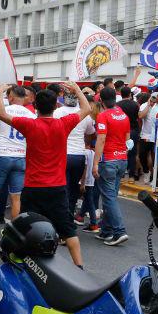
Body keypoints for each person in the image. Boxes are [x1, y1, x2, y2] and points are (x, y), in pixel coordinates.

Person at [0, 81, 93, 266]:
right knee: (68, 230)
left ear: (35, 107)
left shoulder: (30, 125)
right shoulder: (63, 124)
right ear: (55, 106)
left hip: (33, 187)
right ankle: (79, 267)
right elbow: (87, 108)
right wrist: (78, 90)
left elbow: (1, 114)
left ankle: (21, 263)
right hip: (57, 187)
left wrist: (1, 92)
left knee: (25, 228)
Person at [0, 85, 33, 242]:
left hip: (3, 154)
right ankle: (14, 233)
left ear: (10, 97)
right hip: (20, 156)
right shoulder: (31, 114)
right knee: (16, 197)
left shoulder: (3, 111)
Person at [94, 86, 131, 245]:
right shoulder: (124, 116)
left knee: (109, 197)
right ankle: (106, 230)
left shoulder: (103, 116)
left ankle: (119, 231)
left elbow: (101, 140)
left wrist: (95, 163)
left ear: (101, 100)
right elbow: (128, 140)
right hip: (122, 159)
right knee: (111, 196)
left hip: (108, 160)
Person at [54, 86, 95, 217]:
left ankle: (62, 216)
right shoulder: (85, 114)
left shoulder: (57, 112)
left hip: (62, 154)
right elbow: (90, 134)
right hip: (79, 155)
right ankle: (69, 215)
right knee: (73, 187)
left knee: (62, 188)